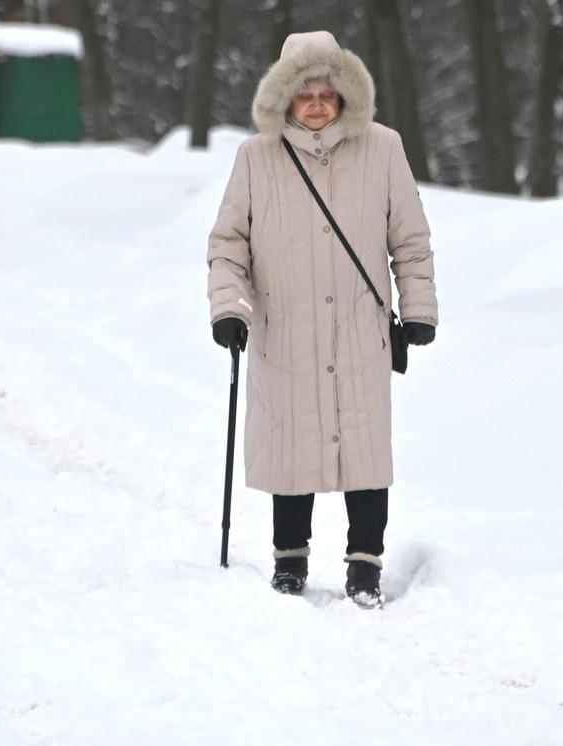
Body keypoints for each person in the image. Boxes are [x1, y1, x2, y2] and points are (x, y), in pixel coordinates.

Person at [205, 31, 438, 607]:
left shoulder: (383, 148)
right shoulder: (255, 157)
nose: (315, 104)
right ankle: (290, 561)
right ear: (284, 99)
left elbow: (410, 240)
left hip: (358, 329)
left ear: (343, 97)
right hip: (285, 329)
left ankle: (365, 565)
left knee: (363, 447)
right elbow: (229, 244)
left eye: (325, 94)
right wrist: (229, 308)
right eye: (303, 94)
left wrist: (419, 309)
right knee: (293, 443)